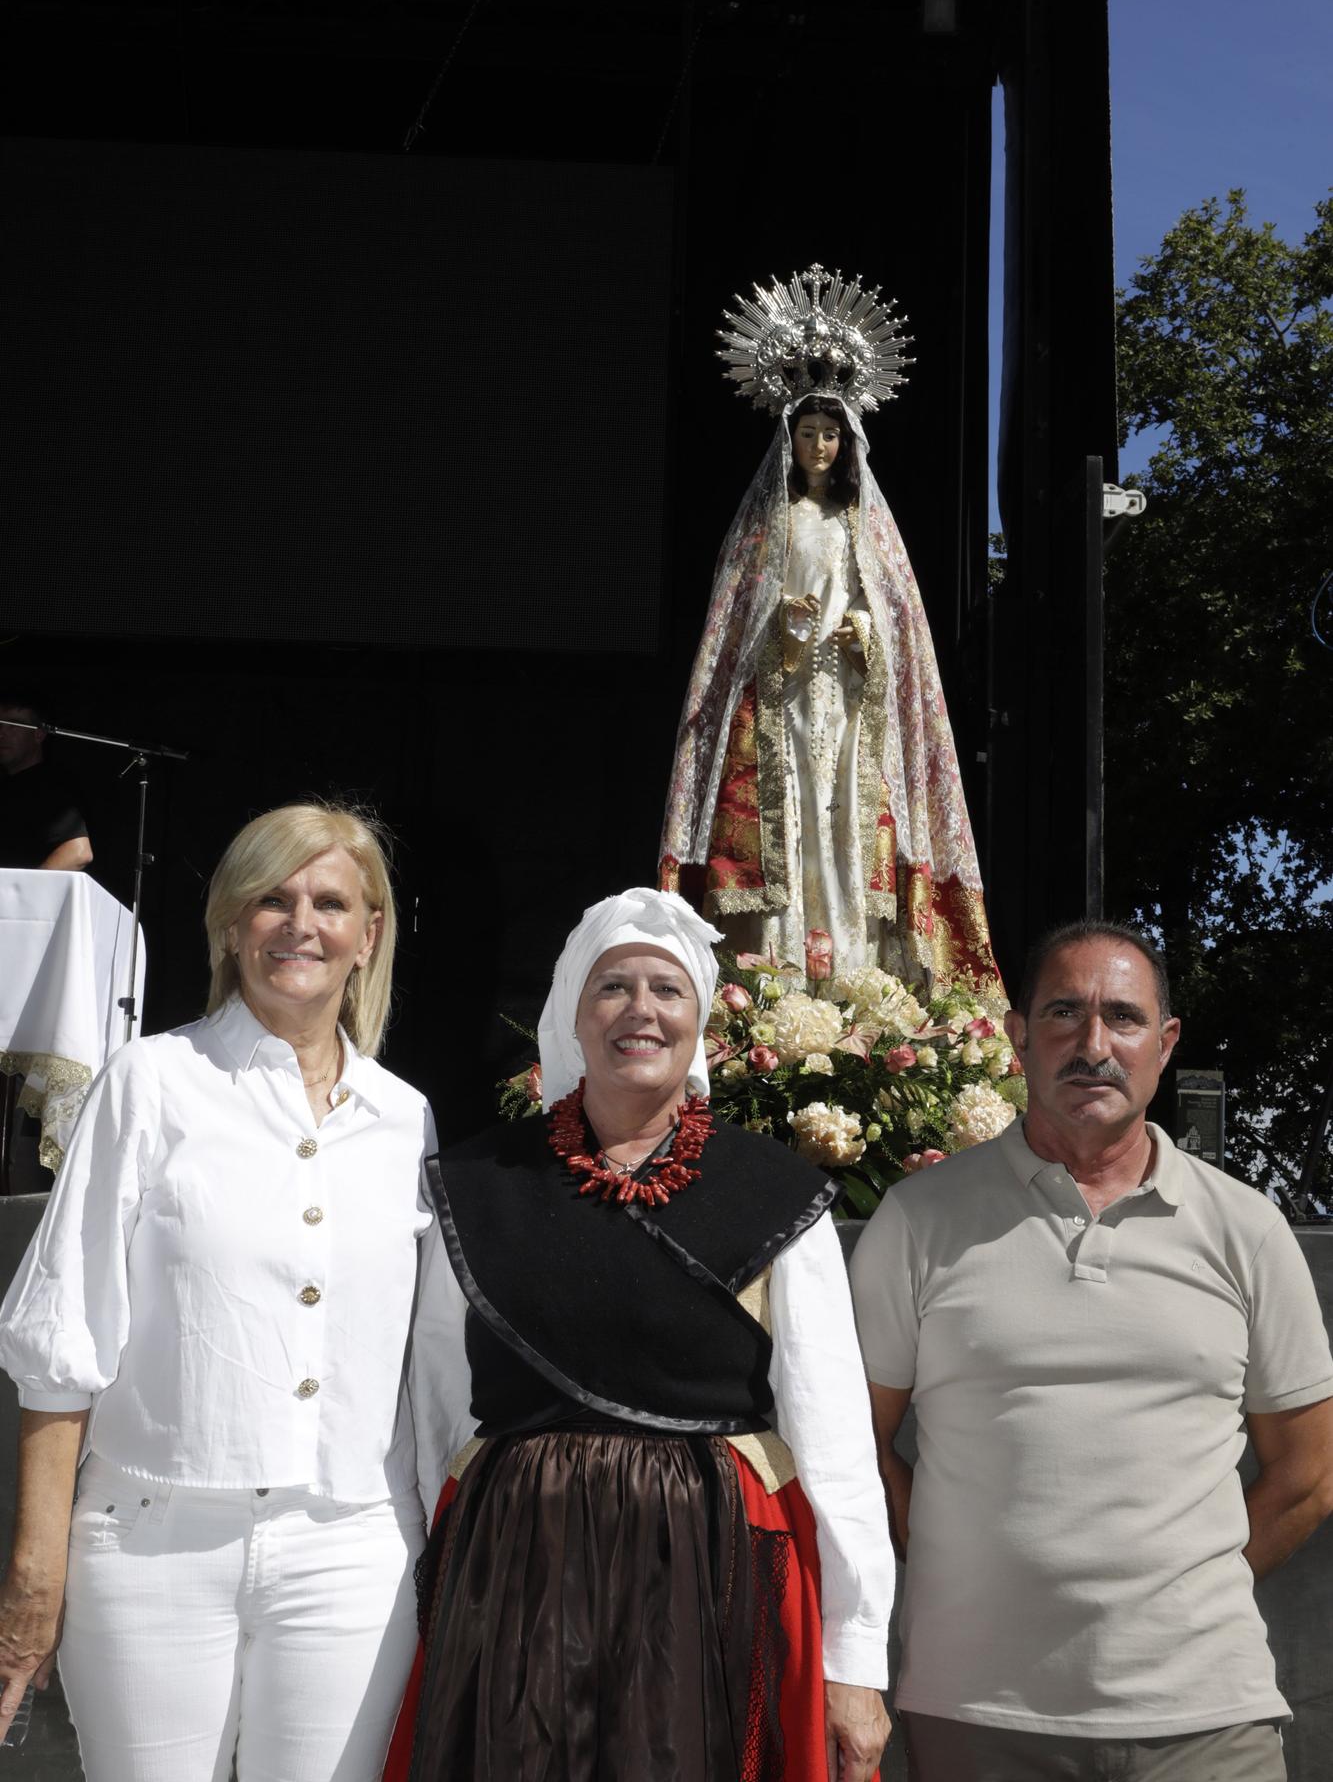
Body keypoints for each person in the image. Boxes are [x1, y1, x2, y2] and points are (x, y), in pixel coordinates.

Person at [389, 886, 894, 1782]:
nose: (639, 1011)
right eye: (611, 987)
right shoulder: (479, 1182)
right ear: (571, 1018)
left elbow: (833, 1431)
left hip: (703, 1561)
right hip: (517, 1561)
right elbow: (434, 1406)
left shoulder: (769, 1193)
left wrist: (854, 1658)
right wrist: (433, 1575)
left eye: (666, 991)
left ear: (700, 1021)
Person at [0, 802, 435, 1782]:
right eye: (272, 898)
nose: (300, 923)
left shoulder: (407, 1121)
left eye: (330, 901)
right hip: (151, 1547)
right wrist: (34, 1566)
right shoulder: (151, 1082)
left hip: (353, 1551)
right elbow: (60, 1336)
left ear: (369, 935)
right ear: (232, 923)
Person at [851, 920, 1333, 1782]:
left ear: (1164, 1043)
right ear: (1016, 1035)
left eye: (1122, 1017)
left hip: (1206, 1720)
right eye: (1063, 1014)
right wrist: (958, 1558)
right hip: (976, 1713)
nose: (1092, 1044)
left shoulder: (1245, 1229)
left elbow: (1309, 1473)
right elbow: (854, 1442)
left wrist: (1186, 1588)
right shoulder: (918, 1220)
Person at [660, 263, 998, 992]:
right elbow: (728, 635)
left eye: (830, 436)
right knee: (791, 827)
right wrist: (778, 623)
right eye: (808, 433)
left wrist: (863, 637)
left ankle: (853, 972)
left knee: (845, 823)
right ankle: (777, 977)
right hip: (780, 703)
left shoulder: (865, 532)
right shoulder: (762, 532)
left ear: (847, 445)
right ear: (791, 440)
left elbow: (901, 629)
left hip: (847, 703)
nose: (819, 447)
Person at [0, 700, 92, 870]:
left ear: (39, 734)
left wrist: (24, 892)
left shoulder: (50, 785)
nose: (2, 734)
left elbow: (78, 852)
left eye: (13, 726)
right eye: (0, 726)